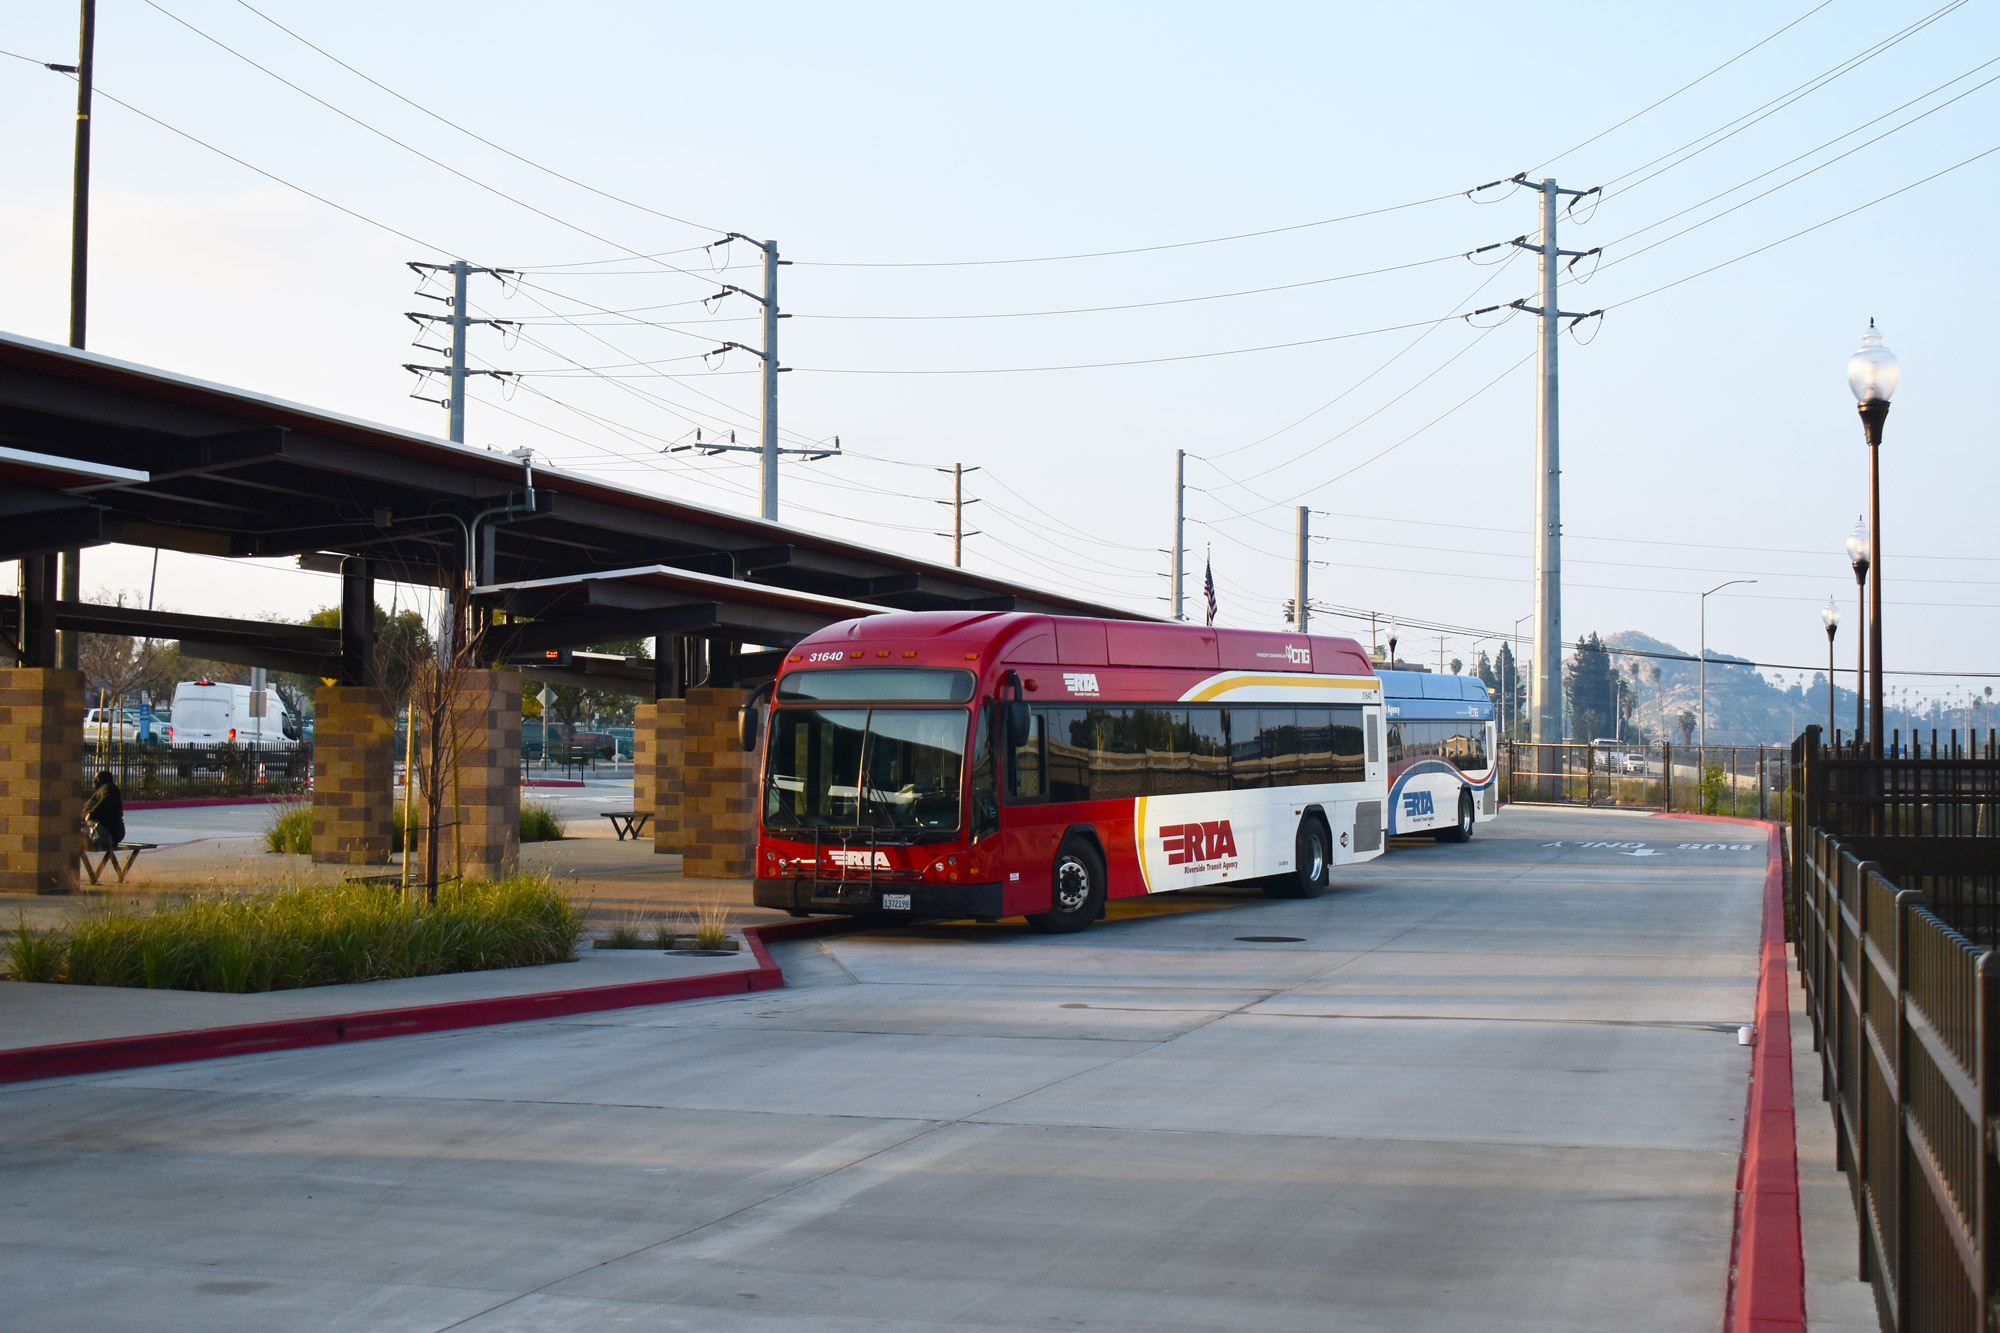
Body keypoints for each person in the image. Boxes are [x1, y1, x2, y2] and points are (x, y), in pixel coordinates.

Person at [83, 770, 124, 852]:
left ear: (103, 779)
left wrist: (91, 814)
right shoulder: (104, 789)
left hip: (105, 831)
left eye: (97, 779)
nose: (94, 781)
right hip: (105, 830)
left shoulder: (108, 787)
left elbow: (107, 800)